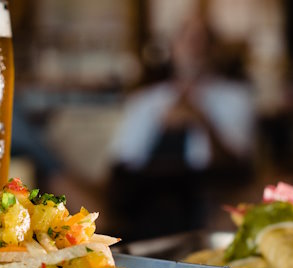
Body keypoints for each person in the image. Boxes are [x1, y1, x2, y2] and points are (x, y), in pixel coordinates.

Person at [108, 14, 255, 239]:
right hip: (144, 200)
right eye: (187, 39)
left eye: (202, 40)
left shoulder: (235, 98)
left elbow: (237, 167)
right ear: (173, 48)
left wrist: (201, 120)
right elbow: (122, 161)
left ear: (214, 50)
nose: (194, 47)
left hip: (204, 199)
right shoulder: (144, 101)